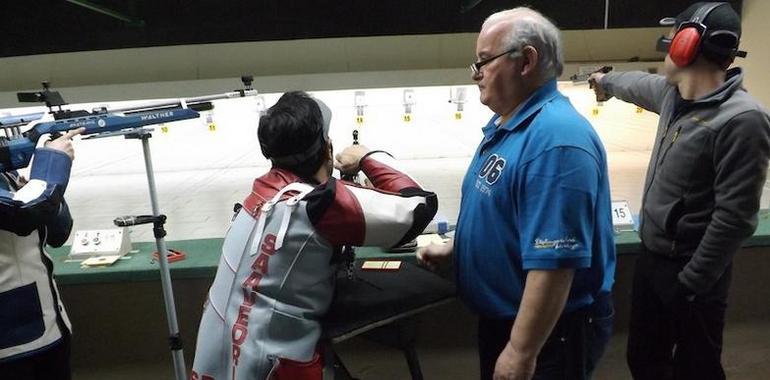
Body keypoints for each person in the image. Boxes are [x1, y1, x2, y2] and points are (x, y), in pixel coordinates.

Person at [418, 7, 616, 380]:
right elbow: (507, 213)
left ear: (526, 61)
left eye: (483, 62)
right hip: (511, 322)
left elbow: (555, 264)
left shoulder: (556, 141)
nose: (476, 74)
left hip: (547, 334)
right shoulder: (511, 125)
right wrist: (460, 248)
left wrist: (522, 352)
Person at [190, 91, 437, 380]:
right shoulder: (319, 202)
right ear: (327, 148)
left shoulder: (259, 195)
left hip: (215, 363)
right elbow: (419, 207)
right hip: (275, 368)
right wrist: (368, 157)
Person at [589, 2, 770, 379]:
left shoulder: (743, 120)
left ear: (688, 43)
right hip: (653, 262)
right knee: (644, 361)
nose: (666, 43)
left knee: (697, 369)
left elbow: (736, 219)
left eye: (673, 35)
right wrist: (606, 82)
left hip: (692, 275)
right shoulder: (675, 97)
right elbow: (637, 84)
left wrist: (690, 284)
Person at [0, 128, 84, 380]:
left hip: (46, 326)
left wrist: (47, 192)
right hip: (10, 341)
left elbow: (58, 234)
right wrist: (52, 165)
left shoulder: (7, 175)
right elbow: (23, 213)